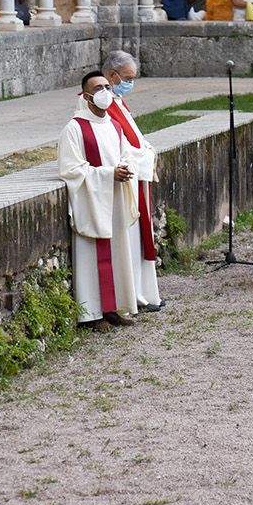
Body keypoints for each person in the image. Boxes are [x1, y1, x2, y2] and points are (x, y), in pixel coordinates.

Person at [56, 70, 142, 327]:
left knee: (117, 252)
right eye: (98, 89)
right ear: (86, 96)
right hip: (93, 201)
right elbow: (71, 169)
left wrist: (126, 168)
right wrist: (107, 174)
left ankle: (113, 308)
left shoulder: (114, 126)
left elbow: (126, 154)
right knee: (92, 255)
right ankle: (92, 313)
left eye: (107, 86)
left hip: (114, 198)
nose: (105, 92)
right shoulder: (74, 128)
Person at [102, 51, 163, 312]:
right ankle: (133, 295)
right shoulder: (102, 104)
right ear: (112, 76)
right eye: (127, 78)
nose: (130, 83)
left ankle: (144, 293)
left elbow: (134, 136)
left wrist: (147, 151)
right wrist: (142, 157)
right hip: (125, 180)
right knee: (129, 241)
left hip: (137, 176)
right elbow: (116, 144)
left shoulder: (118, 101)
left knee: (140, 238)